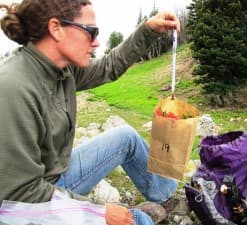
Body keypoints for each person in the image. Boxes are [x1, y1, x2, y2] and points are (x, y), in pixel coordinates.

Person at [0, 1, 182, 225]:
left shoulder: (62, 69)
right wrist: (96, 213)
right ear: (56, 28)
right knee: (135, 219)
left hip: (55, 177)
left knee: (126, 136)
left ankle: (165, 197)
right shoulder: (13, 88)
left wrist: (149, 30)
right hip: (25, 205)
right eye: (90, 32)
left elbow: (109, 66)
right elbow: (17, 197)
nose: (96, 42)